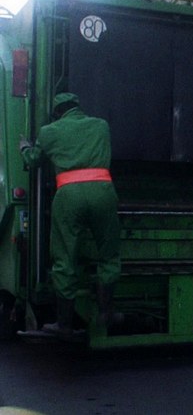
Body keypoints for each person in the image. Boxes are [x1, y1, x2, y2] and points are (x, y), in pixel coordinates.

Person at [19, 93, 121, 339]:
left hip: (69, 197)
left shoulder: (49, 131)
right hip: (103, 193)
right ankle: (105, 312)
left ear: (57, 112)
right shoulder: (101, 125)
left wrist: (24, 147)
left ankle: (64, 324)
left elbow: (33, 160)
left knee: (65, 258)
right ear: (77, 106)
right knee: (109, 254)